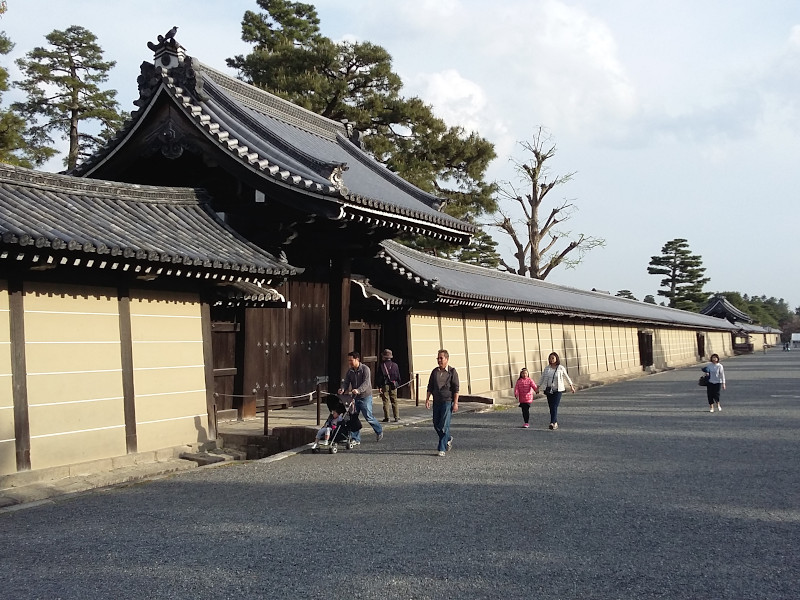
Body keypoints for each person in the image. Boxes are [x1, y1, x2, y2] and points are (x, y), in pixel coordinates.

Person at [338, 351, 383, 444]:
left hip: (365, 396)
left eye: (351, 360)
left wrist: (358, 390)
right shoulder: (350, 371)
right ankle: (355, 438)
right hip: (354, 398)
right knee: (353, 417)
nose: (349, 362)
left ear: (357, 359)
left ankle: (379, 430)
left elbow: (366, 383)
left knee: (368, 416)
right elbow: (346, 382)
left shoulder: (365, 369)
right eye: (348, 360)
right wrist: (342, 389)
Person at [425, 349, 459, 456]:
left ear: (447, 359)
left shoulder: (452, 372)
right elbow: (430, 386)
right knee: (436, 424)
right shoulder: (435, 372)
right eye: (438, 358)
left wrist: (456, 403)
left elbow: (456, 389)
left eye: (441, 358)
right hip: (437, 401)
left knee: (444, 425)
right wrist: (427, 399)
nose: (439, 360)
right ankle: (448, 438)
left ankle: (442, 448)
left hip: (447, 401)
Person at [537, 352, 575, 430]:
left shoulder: (561, 368)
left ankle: (552, 422)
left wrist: (571, 386)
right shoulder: (547, 368)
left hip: (558, 390)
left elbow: (566, 377)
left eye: (553, 358)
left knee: (554, 405)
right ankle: (555, 423)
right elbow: (542, 377)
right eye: (550, 358)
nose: (551, 360)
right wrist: (537, 386)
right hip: (549, 390)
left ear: (556, 358)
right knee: (551, 407)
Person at [375, 348, 401, 423]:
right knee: (394, 400)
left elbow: (379, 377)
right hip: (393, 384)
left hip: (384, 385)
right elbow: (398, 376)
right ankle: (396, 417)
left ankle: (387, 417)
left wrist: (379, 386)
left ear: (384, 357)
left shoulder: (382, 366)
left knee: (385, 401)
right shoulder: (395, 365)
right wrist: (397, 384)